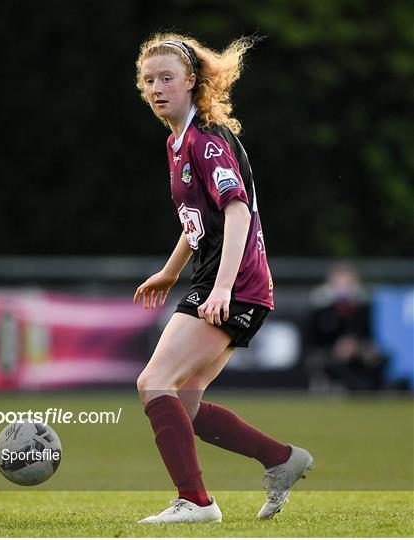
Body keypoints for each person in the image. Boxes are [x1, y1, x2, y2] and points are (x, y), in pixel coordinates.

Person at [133, 32, 313, 524]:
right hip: (240, 284)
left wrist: (221, 288)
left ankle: (196, 504)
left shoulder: (206, 140)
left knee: (154, 384)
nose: (156, 88)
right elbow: (198, 221)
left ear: (191, 82)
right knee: (183, 403)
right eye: (148, 80)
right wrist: (170, 272)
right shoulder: (178, 141)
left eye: (167, 78)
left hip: (234, 283)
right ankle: (282, 458)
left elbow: (235, 213)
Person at [306, 263, 387, 392]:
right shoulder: (320, 309)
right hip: (328, 351)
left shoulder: (362, 309)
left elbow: (366, 334)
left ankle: (373, 391)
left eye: (348, 283)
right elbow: (313, 339)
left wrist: (357, 345)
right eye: (340, 283)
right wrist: (335, 347)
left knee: (379, 359)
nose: (344, 288)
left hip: (356, 350)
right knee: (331, 362)